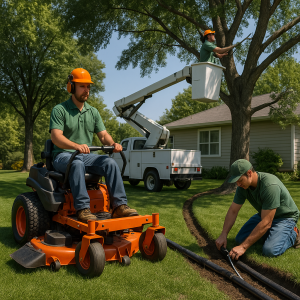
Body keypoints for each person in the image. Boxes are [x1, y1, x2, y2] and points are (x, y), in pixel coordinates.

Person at [49, 68, 138, 223]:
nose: (87, 90)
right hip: (63, 156)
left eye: (88, 87)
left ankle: (119, 206)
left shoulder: (93, 112)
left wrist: (112, 143)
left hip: (85, 155)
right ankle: (83, 209)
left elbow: (103, 135)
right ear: (71, 86)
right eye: (82, 86)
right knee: (76, 163)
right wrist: (76, 146)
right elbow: (56, 137)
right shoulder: (60, 110)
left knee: (109, 162)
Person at [215, 159, 300, 259]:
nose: (238, 184)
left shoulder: (269, 186)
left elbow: (267, 222)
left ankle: (294, 234)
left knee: (270, 250)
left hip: (285, 217)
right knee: (240, 239)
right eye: (236, 181)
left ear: (249, 173)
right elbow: (233, 210)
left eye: (240, 180)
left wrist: (243, 247)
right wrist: (223, 234)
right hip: (264, 214)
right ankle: (272, 233)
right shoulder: (242, 187)